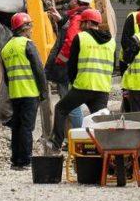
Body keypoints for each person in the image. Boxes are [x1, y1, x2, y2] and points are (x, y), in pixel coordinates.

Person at [47, 8, 114, 151]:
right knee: (100, 121)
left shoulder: (81, 38)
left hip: (83, 86)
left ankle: (56, 143)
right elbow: (112, 66)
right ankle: (103, 150)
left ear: (88, 23)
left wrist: (73, 82)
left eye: (82, 23)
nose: (80, 26)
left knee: (60, 109)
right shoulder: (111, 42)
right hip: (102, 89)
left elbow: (72, 65)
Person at [1, 12, 48, 170]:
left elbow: (6, 76)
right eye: (30, 26)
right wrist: (43, 91)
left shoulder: (6, 48)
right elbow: (38, 69)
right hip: (30, 92)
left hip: (15, 93)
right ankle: (26, 161)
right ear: (24, 28)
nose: (31, 30)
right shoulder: (27, 44)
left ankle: (15, 160)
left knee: (17, 127)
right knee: (27, 128)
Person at [45, 0, 92, 130]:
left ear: (77, 0)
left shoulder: (77, 18)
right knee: (71, 104)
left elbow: (70, 41)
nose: (69, 0)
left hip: (67, 69)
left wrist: (59, 61)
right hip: (75, 67)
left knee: (70, 105)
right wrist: (60, 20)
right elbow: (69, 29)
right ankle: (73, 134)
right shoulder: (83, 16)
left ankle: (80, 134)